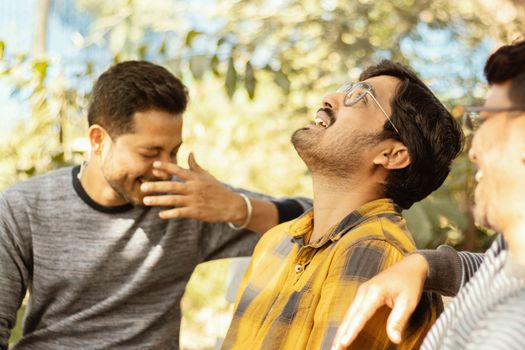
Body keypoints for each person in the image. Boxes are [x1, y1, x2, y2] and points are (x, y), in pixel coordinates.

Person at [0, 60, 311, 350]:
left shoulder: (190, 203)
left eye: (173, 152)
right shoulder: (25, 208)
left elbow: (319, 217)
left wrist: (239, 209)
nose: (164, 168)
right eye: (150, 153)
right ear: (98, 140)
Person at [221, 60, 464, 350]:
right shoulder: (276, 241)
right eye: (345, 89)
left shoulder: (374, 250)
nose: (330, 98)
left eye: (361, 97)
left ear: (392, 154)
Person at [332, 40, 525, 350]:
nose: (473, 152)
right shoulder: (510, 250)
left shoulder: (511, 331)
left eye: (486, 120)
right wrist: (424, 264)